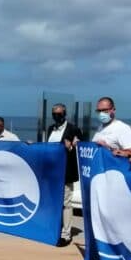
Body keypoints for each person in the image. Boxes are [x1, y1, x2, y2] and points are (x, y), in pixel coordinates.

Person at [46, 104, 83, 246]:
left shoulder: (73, 129)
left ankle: (66, 234)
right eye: (54, 113)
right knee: (54, 202)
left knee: (66, 203)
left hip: (66, 172)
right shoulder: (51, 129)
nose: (57, 116)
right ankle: (55, 228)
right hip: (51, 172)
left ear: (65, 114)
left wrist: (71, 148)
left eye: (59, 113)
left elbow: (81, 148)